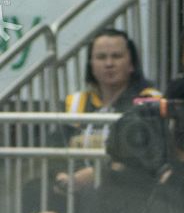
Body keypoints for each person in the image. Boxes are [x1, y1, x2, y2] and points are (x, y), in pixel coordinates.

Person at [52, 28, 161, 195]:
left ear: (131, 64)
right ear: (91, 65)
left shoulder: (149, 101)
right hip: (76, 186)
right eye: (101, 57)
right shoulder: (75, 103)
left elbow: (146, 155)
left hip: (127, 188)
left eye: (116, 56)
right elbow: (55, 147)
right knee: (35, 189)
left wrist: (98, 175)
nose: (109, 64)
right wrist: (62, 176)